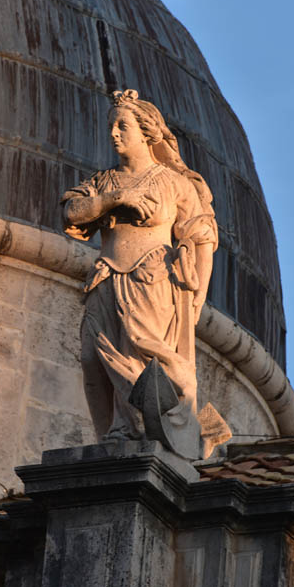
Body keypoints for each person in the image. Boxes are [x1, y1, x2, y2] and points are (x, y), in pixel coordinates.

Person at [62, 89, 218, 442]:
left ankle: (140, 430)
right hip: (105, 277)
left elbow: (203, 236)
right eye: (111, 126)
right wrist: (116, 198)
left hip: (151, 278)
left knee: (141, 355)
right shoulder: (103, 182)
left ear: (147, 132)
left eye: (122, 126)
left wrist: (198, 294)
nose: (114, 133)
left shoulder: (174, 183)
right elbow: (71, 213)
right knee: (91, 359)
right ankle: (116, 430)